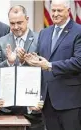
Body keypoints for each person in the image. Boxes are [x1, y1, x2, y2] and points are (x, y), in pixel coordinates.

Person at [24, 0, 81, 130]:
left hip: (70, 101)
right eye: (53, 10)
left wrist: (50, 65)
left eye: (59, 10)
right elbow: (42, 61)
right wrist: (33, 60)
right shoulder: (44, 32)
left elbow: (78, 62)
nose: (55, 14)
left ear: (68, 11)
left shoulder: (78, 31)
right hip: (47, 101)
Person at [0, 5, 44, 130]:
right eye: (12, 23)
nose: (15, 27)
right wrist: (8, 62)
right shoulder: (1, 42)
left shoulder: (40, 39)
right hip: (8, 107)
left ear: (27, 19)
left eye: (19, 22)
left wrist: (32, 62)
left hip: (33, 105)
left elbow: (46, 68)